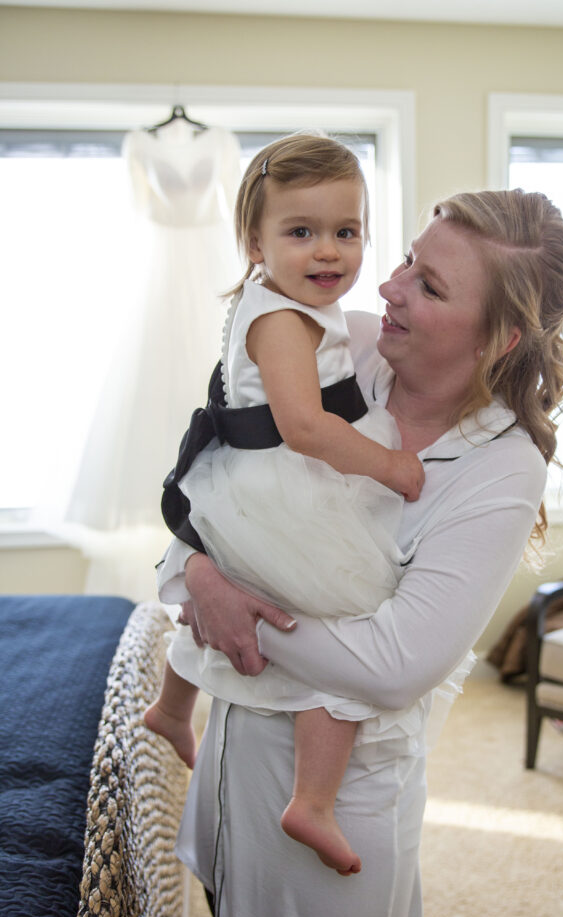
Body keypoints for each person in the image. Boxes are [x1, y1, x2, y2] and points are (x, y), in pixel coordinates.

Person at [158, 187, 563, 917]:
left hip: (340, 808)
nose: (386, 288)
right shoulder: (334, 351)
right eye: (404, 261)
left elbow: (394, 666)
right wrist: (200, 578)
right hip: (227, 776)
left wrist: (233, 606)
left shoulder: (501, 471)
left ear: (498, 337)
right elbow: (208, 481)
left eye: (428, 286)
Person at [146, 133, 429, 877]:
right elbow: (305, 428)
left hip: (251, 483)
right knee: (345, 618)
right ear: (254, 240)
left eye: (346, 231)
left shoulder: (277, 300)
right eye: (300, 233)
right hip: (284, 486)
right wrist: (389, 465)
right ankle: (312, 799)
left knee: (233, 593)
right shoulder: (280, 319)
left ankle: (172, 708)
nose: (328, 251)